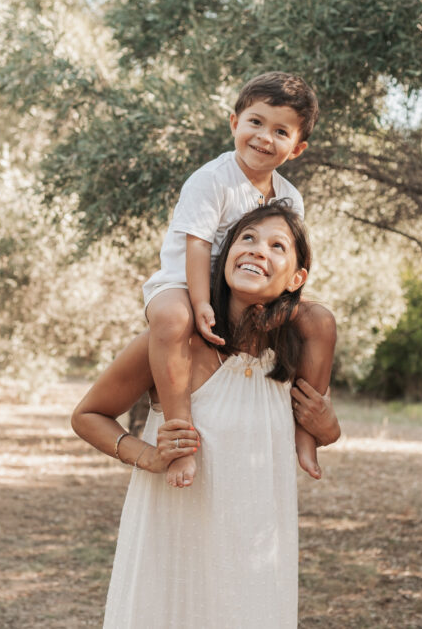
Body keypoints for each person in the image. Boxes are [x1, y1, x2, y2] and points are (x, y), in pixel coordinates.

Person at [72, 202, 338, 628]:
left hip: (254, 558)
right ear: (224, 254)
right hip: (173, 549)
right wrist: (146, 455)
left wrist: (328, 429)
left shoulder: (289, 354)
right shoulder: (174, 344)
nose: (256, 250)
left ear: (296, 278)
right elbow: (89, 414)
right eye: (246, 238)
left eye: (277, 246)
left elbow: (301, 430)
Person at [142, 71, 335, 489]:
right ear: (235, 122)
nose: (264, 137)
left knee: (319, 321)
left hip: (239, 290)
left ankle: (306, 430)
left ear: (297, 147)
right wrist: (200, 303)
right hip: (181, 282)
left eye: (280, 131)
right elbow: (196, 247)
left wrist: (284, 304)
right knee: (174, 321)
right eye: (256, 122)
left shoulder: (289, 196)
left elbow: (287, 255)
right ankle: (179, 438)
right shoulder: (212, 179)